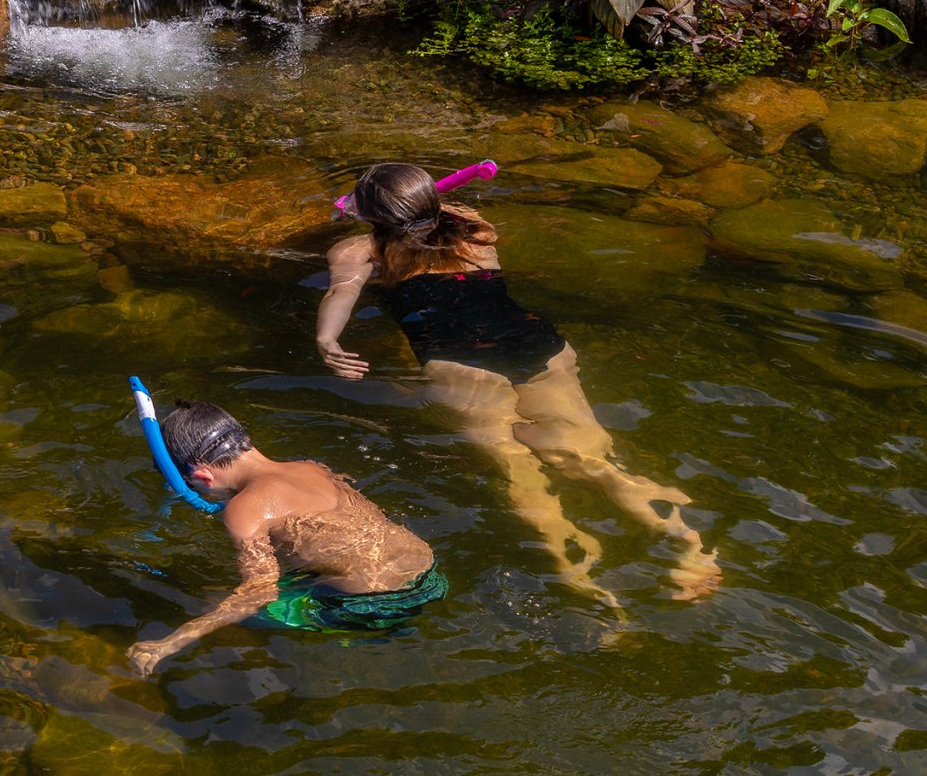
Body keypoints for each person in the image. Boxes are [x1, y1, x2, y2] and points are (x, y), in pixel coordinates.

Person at [315, 163, 720, 603]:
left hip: (462, 360)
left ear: (372, 217)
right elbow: (436, 211)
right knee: (593, 456)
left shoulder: (359, 251)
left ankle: (579, 566)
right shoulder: (477, 232)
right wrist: (409, 204)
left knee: (516, 465)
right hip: (539, 344)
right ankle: (689, 545)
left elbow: (342, 293)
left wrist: (327, 338)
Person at [127, 400, 445, 676]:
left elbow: (259, 593)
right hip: (430, 575)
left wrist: (167, 644)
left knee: (209, 597)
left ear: (201, 478)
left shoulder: (244, 510)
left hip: (375, 609)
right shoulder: (311, 467)